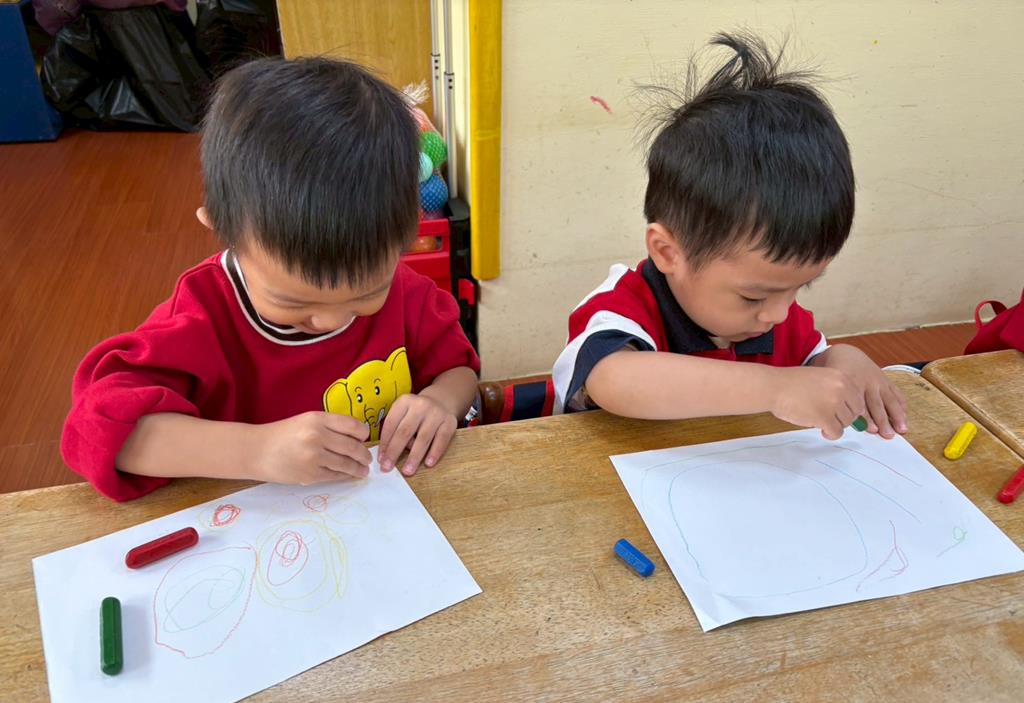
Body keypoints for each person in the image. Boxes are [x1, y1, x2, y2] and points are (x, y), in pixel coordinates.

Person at [62, 57, 479, 501]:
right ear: (224, 232)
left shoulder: (406, 291)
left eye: (365, 295)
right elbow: (97, 429)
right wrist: (255, 451)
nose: (331, 320)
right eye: (294, 302)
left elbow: (458, 369)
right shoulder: (204, 313)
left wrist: (440, 402)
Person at [552, 32, 907, 441]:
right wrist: (776, 388)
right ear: (668, 252)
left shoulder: (771, 312)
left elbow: (812, 368)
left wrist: (842, 360)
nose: (779, 314)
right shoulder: (623, 308)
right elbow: (615, 380)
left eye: (801, 287)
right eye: (753, 297)